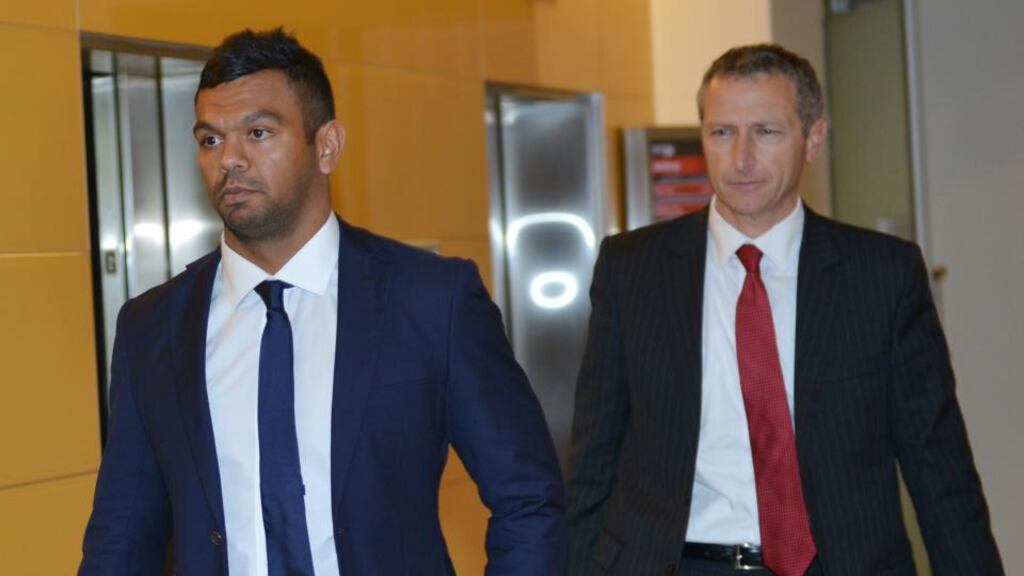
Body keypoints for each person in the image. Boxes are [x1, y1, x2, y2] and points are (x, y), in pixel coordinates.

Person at [79, 28, 565, 576]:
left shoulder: (431, 301)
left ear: (326, 145)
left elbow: (529, 498)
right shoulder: (154, 327)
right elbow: (121, 538)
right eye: (210, 140)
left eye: (257, 132)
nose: (229, 160)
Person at [567, 43, 1003, 575]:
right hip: (678, 563)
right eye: (722, 132)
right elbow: (592, 460)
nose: (742, 158)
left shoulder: (882, 275)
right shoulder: (633, 269)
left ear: (812, 138)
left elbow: (939, 469)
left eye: (766, 132)